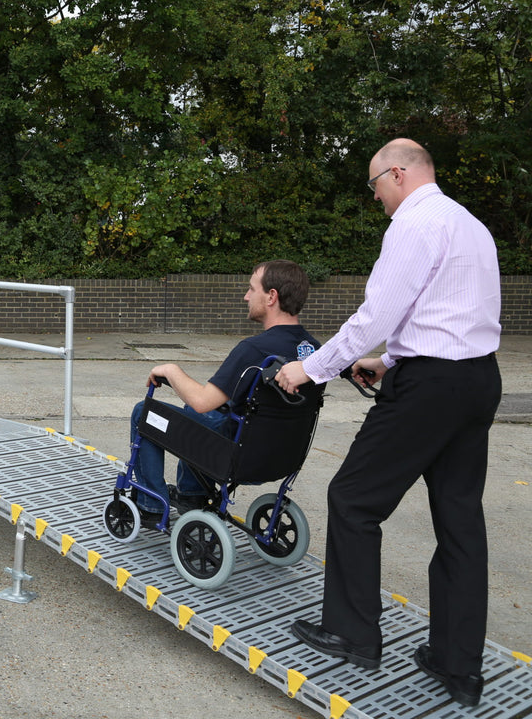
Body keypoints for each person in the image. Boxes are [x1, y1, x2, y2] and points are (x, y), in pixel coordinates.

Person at [275, 138, 501, 708]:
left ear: (397, 173)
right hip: (478, 380)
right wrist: (390, 361)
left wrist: (311, 369)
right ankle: (458, 666)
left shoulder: (413, 224)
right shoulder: (470, 225)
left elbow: (376, 314)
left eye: (374, 184)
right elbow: (447, 314)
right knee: (460, 521)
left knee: (353, 498)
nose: (374, 196)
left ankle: (352, 633)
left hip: (430, 390)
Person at [130, 259, 320, 526]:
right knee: (199, 412)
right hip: (281, 458)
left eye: (251, 289)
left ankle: (150, 505)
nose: (246, 297)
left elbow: (202, 401)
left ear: (271, 297)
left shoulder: (253, 350)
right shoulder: (315, 351)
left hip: (235, 456)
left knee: (144, 413)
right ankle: (191, 495)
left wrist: (171, 370)